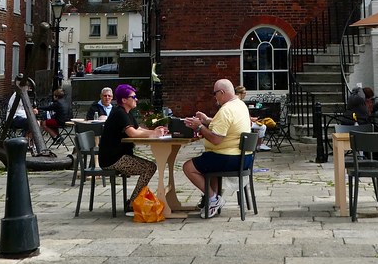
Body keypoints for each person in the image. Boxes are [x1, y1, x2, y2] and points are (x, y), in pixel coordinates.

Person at [182, 79, 252, 218]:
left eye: (215, 94)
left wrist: (199, 127)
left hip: (229, 158)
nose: (215, 98)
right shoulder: (240, 105)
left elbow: (216, 139)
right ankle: (211, 198)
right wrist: (207, 120)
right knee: (210, 165)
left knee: (188, 167)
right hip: (245, 158)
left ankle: (213, 199)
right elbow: (225, 124)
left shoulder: (226, 110)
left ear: (222, 92)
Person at [98, 83, 168, 212]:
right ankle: (132, 203)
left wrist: (155, 132)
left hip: (120, 156)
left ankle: (133, 201)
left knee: (150, 166)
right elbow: (133, 133)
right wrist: (153, 134)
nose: (136, 99)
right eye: (133, 96)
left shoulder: (127, 113)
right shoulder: (119, 113)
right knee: (149, 167)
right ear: (124, 100)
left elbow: (138, 129)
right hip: (112, 159)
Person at [235, 85, 270, 152]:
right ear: (240, 94)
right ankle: (259, 145)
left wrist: (252, 118)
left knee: (257, 128)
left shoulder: (237, 102)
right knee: (263, 127)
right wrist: (251, 119)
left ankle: (256, 144)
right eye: (244, 93)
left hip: (245, 122)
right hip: (246, 124)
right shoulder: (240, 103)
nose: (245, 95)